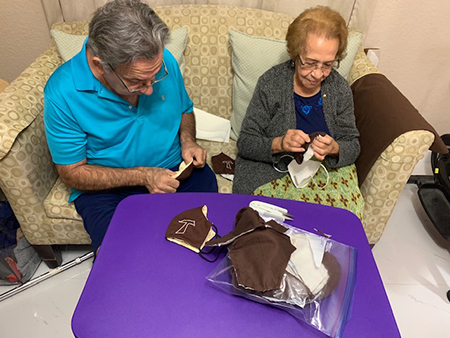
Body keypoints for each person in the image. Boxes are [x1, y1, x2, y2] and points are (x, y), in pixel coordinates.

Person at [44, 0, 217, 254]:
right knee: (122, 261)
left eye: (154, 77)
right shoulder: (62, 92)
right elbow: (71, 172)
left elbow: (184, 109)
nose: (150, 89)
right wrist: (144, 175)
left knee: (208, 242)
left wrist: (188, 141)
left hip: (174, 171)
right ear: (98, 64)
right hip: (108, 188)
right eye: (136, 81)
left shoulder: (160, 62)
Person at [233, 6, 363, 218]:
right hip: (274, 174)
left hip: (323, 175)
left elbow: (353, 145)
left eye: (328, 65)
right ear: (295, 53)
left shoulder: (339, 89)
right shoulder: (271, 83)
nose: (317, 74)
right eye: (310, 63)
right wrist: (279, 144)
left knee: (339, 225)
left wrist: (334, 148)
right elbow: (246, 142)